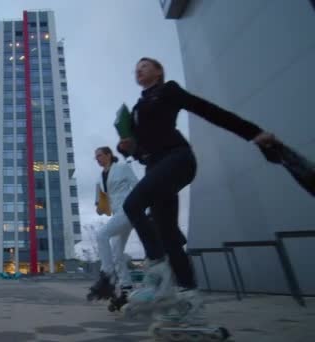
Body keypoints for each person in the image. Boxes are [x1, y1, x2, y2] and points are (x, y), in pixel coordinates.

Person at [117, 57, 279, 318]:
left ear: (158, 71)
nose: (139, 69)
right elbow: (139, 146)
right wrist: (125, 146)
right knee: (168, 234)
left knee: (132, 204)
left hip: (177, 159)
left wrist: (253, 133)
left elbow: (207, 109)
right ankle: (188, 294)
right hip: (155, 166)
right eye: (136, 68)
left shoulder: (168, 90)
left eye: (145, 65)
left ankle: (156, 272)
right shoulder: (137, 107)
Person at [87, 146, 138, 301]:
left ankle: (107, 276)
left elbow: (137, 186)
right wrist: (100, 207)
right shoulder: (100, 178)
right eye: (95, 157)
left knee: (101, 235)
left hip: (128, 210)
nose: (97, 159)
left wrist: (145, 210)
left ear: (109, 155)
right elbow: (101, 204)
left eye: (100, 155)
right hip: (117, 214)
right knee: (117, 253)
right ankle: (126, 288)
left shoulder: (123, 167)